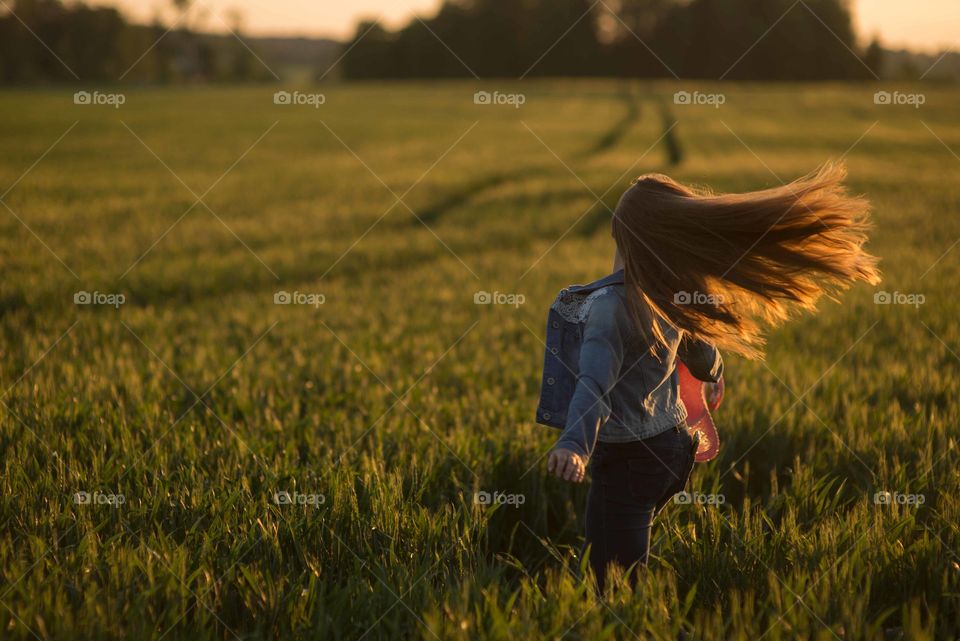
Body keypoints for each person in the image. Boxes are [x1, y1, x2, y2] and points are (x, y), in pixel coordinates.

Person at [537, 163, 881, 590]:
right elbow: (703, 360)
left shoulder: (611, 305)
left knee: (612, 580)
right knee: (620, 551)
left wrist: (574, 444)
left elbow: (594, 381)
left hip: (630, 458)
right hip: (671, 450)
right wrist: (715, 375)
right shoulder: (669, 293)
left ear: (618, 233)